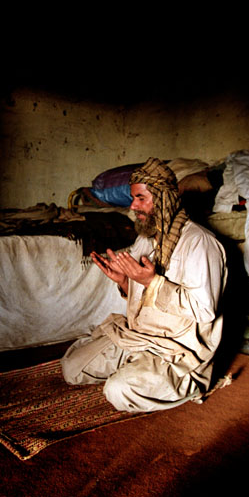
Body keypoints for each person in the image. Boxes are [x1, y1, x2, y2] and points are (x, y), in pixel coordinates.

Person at [61, 157, 227, 412]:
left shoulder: (200, 243)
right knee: (71, 369)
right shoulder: (145, 239)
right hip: (138, 337)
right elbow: (142, 300)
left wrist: (151, 281)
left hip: (177, 350)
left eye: (140, 198)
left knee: (117, 391)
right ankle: (137, 368)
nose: (132, 205)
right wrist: (125, 282)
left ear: (162, 199)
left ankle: (190, 385)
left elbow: (204, 311)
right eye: (132, 198)